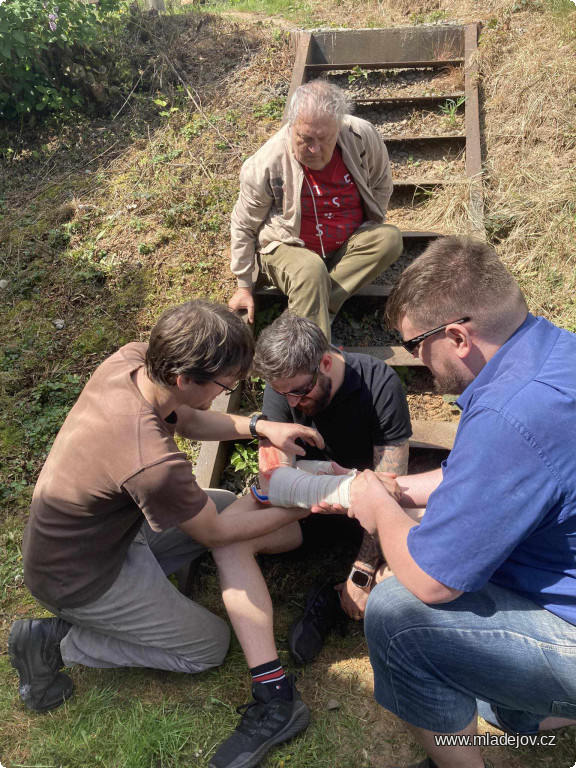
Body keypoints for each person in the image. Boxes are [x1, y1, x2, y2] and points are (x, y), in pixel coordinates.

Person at [9, 299, 328, 768]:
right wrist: (305, 506)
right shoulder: (150, 460)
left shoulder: (134, 361)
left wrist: (262, 425)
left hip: (93, 538)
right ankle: (57, 642)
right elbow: (217, 535)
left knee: (220, 501)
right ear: (184, 378)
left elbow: (191, 420)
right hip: (82, 579)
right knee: (208, 646)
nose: (232, 390)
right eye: (227, 385)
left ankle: (141, 596)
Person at [341, 237, 576, 768]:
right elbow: (485, 474)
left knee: (397, 611)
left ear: (456, 337)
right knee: (503, 710)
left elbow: (431, 580)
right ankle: (522, 716)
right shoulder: (551, 354)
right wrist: (400, 489)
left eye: (416, 346)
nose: (417, 362)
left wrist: (380, 510)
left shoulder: (508, 415)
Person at [251, 311, 412, 663]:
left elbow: (389, 488)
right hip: (308, 511)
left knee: (421, 548)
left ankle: (343, 593)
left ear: (325, 362)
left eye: (300, 392)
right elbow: (273, 479)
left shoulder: (378, 383)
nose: (292, 404)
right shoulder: (284, 385)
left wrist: (362, 570)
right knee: (240, 527)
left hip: (369, 515)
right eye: (283, 394)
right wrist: (332, 483)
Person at [228, 79, 403, 342]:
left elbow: (381, 184)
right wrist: (244, 285)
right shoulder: (266, 163)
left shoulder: (362, 137)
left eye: (324, 139)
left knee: (389, 239)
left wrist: (371, 221)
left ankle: (315, 306)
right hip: (287, 247)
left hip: (345, 242)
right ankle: (308, 358)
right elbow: (243, 224)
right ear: (291, 126)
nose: (314, 149)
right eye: (305, 138)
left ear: (339, 126)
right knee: (310, 269)